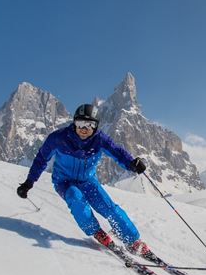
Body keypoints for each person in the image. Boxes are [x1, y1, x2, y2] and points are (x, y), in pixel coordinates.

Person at [16, 103, 150, 253]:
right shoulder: (59, 138)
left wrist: (132, 163)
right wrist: (29, 182)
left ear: (95, 126)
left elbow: (117, 152)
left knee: (109, 207)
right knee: (76, 198)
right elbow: (41, 159)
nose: (83, 129)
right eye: (80, 124)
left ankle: (132, 240)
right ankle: (96, 231)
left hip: (88, 181)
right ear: (74, 122)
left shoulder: (99, 139)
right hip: (64, 182)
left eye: (89, 125)